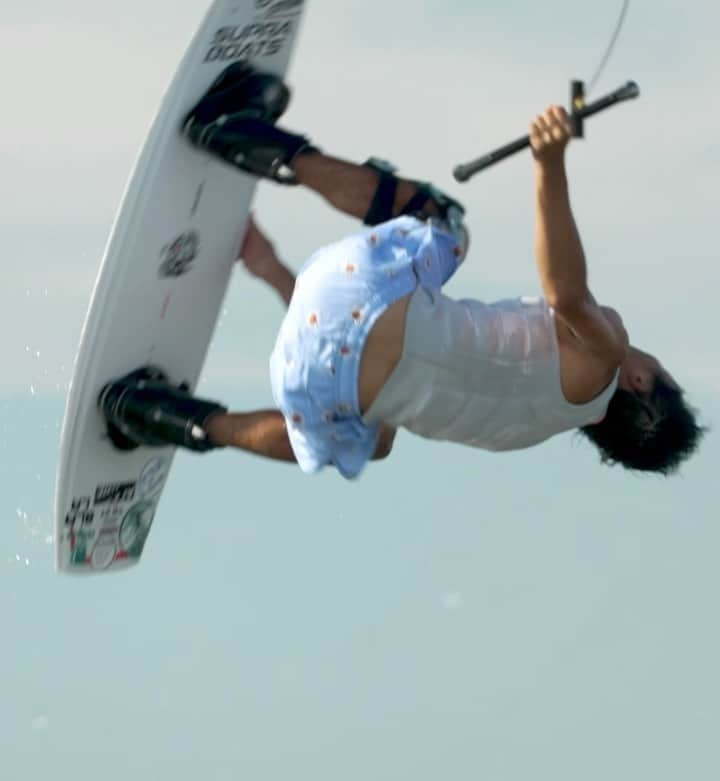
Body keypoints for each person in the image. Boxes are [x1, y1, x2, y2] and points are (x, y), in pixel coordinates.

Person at [101, 63, 703, 478]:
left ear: (645, 383)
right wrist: (270, 268)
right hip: (312, 367)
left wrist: (548, 164)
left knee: (445, 223)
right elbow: (357, 351)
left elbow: (566, 295)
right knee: (372, 439)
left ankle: (245, 135)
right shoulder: (516, 433)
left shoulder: (607, 351)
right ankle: (159, 415)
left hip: (349, 289)